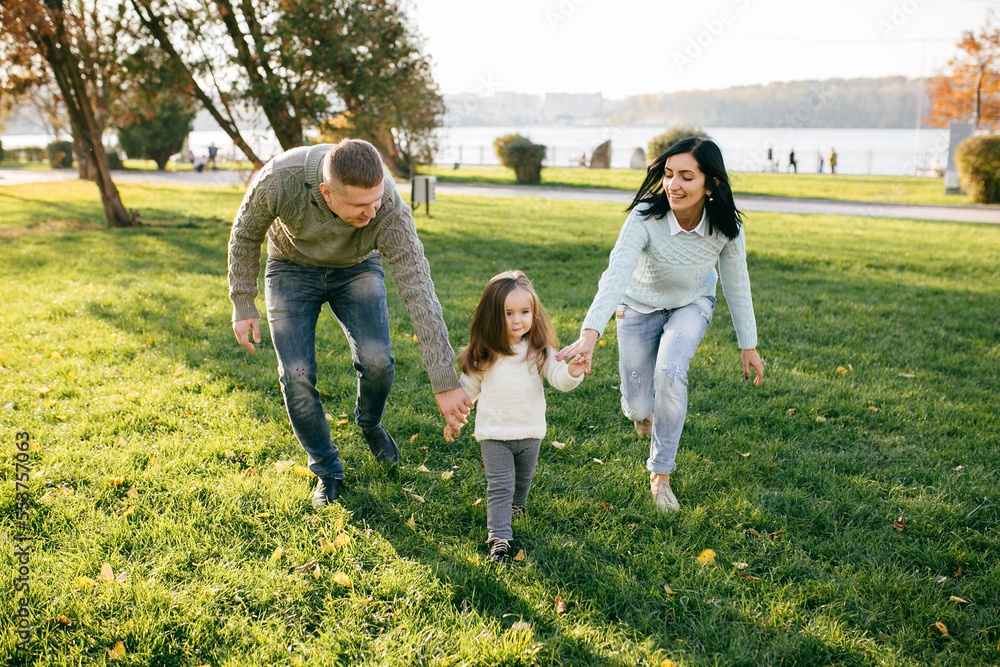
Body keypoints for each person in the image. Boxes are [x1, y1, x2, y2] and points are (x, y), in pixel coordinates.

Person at [227, 138, 473, 509]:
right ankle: (327, 468)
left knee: (377, 361)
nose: (372, 212)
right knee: (295, 372)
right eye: (360, 205)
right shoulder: (281, 177)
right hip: (291, 267)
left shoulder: (386, 203)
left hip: (358, 267)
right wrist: (243, 301)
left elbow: (418, 288)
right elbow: (245, 232)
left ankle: (369, 423)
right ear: (326, 192)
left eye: (376, 201)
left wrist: (444, 380)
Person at [556, 137, 763, 513]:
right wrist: (590, 334)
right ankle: (643, 415)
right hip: (637, 305)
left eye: (686, 176)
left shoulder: (725, 226)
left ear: (710, 183)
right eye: (668, 175)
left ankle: (660, 475)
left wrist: (748, 344)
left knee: (671, 372)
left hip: (691, 303)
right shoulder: (645, 218)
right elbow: (615, 275)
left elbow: (737, 283)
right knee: (637, 407)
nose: (673, 185)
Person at [445, 271, 586, 562]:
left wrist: (572, 373)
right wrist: (455, 418)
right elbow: (466, 393)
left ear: (534, 314)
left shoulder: (539, 351)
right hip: (494, 434)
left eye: (524, 312)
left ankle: (517, 506)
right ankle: (499, 536)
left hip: (530, 431)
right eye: (508, 313)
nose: (518, 319)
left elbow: (559, 377)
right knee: (500, 485)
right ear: (492, 316)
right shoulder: (483, 354)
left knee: (523, 479)